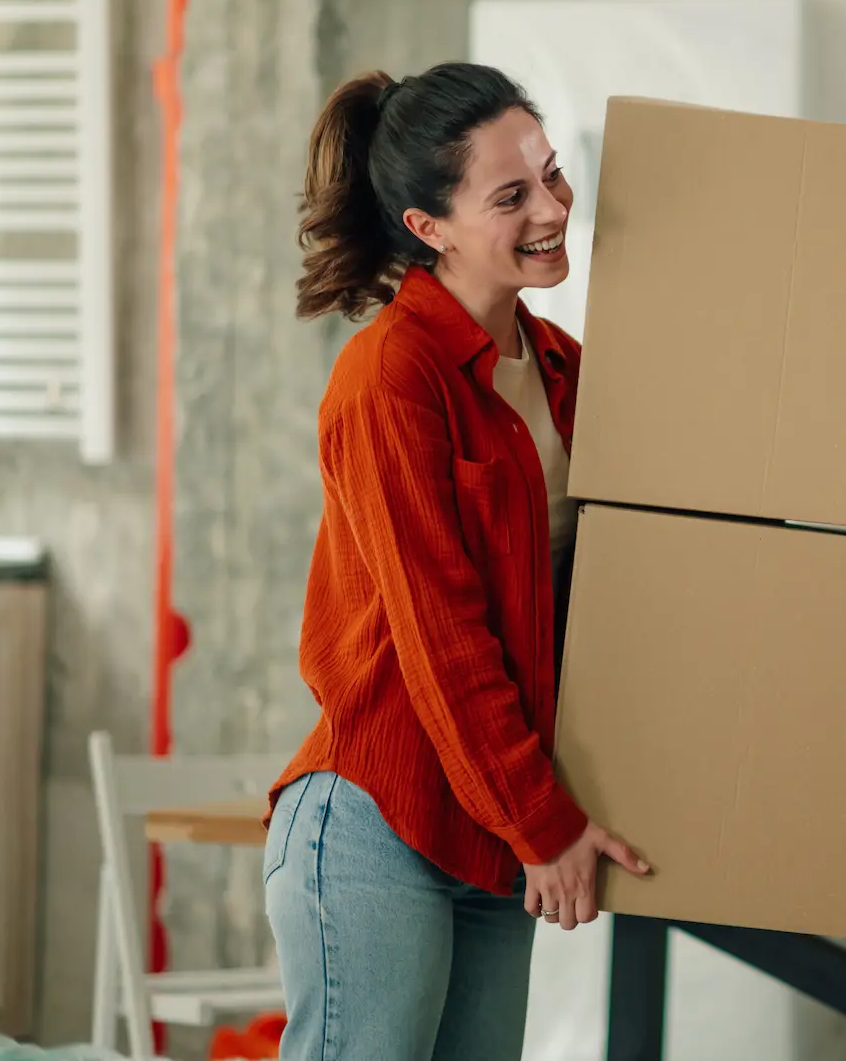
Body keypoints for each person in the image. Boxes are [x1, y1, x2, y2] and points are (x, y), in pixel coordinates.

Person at [264, 63, 647, 1061]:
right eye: (511, 195)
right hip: (376, 822)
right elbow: (443, 638)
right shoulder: (391, 375)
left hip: (491, 832)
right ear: (428, 226)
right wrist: (544, 821)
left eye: (553, 176)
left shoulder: (563, 368)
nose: (554, 208)